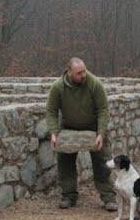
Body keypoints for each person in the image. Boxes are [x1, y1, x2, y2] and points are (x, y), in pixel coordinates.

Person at [46, 57, 117, 210]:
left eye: (84, 71)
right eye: (79, 73)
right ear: (69, 72)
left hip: (93, 127)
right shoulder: (58, 87)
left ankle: (109, 197)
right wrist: (54, 132)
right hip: (68, 127)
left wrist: (101, 133)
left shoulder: (94, 84)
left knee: (102, 163)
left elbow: (103, 110)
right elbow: (51, 111)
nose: (83, 75)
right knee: (65, 163)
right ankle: (68, 196)